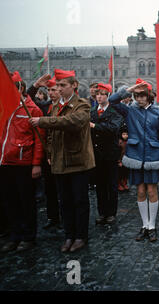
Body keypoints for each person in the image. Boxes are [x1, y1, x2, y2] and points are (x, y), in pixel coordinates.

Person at [29, 69, 96, 253]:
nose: (58, 89)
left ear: (74, 86)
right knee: (64, 202)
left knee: (79, 201)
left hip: (78, 161)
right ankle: (69, 235)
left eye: (62, 85)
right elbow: (51, 136)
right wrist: (50, 154)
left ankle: (81, 236)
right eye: (57, 85)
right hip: (60, 162)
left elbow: (72, 122)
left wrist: (43, 121)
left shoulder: (82, 105)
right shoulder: (56, 107)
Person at [109, 79, 159, 242]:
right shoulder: (129, 111)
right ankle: (144, 225)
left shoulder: (158, 113)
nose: (139, 98)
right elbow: (112, 100)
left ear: (149, 96)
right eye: (136, 95)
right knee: (140, 191)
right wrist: (128, 89)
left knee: (152, 191)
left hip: (153, 157)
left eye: (142, 95)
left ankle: (152, 225)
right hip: (136, 156)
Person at [0, 71, 44, 253]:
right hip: (5, 162)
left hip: (23, 163)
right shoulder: (3, 108)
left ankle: (28, 237)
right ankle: (15, 235)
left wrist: (36, 164)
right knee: (10, 202)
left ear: (21, 88)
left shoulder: (32, 110)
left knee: (26, 201)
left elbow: (39, 141)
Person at [27, 74, 61, 230]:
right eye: (49, 90)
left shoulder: (66, 107)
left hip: (62, 153)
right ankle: (53, 217)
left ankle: (66, 218)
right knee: (50, 188)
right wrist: (35, 86)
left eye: (54, 89)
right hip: (48, 154)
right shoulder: (44, 106)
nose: (51, 93)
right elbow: (27, 100)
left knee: (64, 189)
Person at [90, 83, 123, 225]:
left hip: (110, 153)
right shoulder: (92, 111)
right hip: (97, 154)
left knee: (111, 185)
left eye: (102, 94)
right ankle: (102, 212)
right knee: (100, 185)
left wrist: (95, 126)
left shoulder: (114, 111)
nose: (99, 97)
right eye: (97, 94)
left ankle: (111, 213)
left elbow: (113, 128)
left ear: (108, 96)